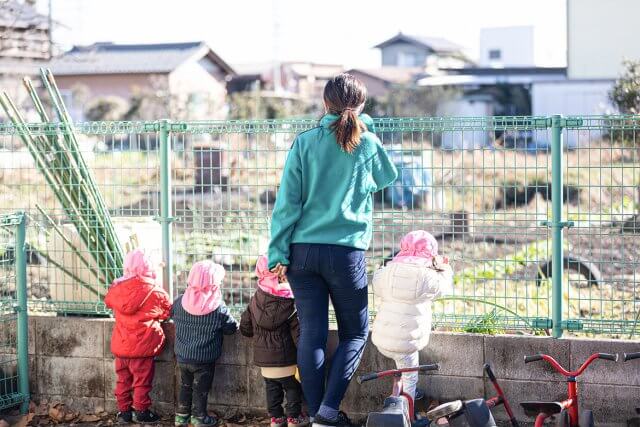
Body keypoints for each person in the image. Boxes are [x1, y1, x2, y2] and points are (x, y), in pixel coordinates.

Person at [268, 73, 398, 427]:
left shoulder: (304, 142)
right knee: (354, 333)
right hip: (346, 253)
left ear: (324, 103)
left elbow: (286, 203)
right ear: (361, 106)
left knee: (312, 332)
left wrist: (277, 253)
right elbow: (388, 177)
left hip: (301, 252)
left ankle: (316, 415)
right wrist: (365, 127)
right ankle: (327, 413)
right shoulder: (366, 142)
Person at [371, 230, 453, 405]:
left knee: (400, 363)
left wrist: (385, 268)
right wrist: (444, 267)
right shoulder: (427, 276)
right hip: (407, 345)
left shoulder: (388, 271)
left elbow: (376, 282)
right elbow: (445, 287)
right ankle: (407, 408)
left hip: (381, 340)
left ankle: (396, 388)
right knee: (411, 376)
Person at [104, 248, 171, 424]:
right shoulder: (155, 292)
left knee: (123, 380)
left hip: (121, 346)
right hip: (143, 347)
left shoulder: (117, 288)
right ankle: (141, 411)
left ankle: (123, 412)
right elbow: (166, 312)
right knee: (141, 381)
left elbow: (109, 301)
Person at [240, 255, 307, 427]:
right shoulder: (290, 301)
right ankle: (293, 417)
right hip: (287, 359)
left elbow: (245, 327)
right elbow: (298, 333)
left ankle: (276, 418)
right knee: (292, 388)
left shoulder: (255, 299)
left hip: (264, 361)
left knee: (272, 389)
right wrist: (305, 353)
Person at [171, 260, 239, 427]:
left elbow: (172, 314)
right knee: (201, 390)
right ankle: (199, 417)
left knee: (185, 386)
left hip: (182, 356)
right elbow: (231, 328)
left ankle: (181, 417)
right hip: (204, 359)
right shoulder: (218, 308)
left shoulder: (179, 302)